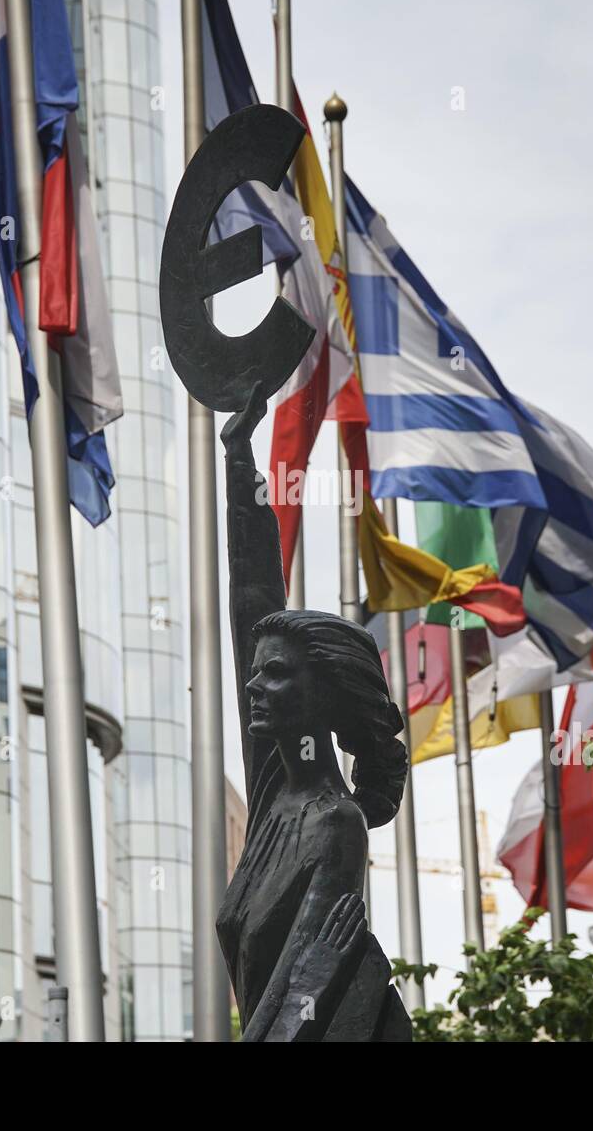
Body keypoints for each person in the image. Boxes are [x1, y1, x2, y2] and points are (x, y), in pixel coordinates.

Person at [215, 386, 412, 1041]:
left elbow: (297, 998)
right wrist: (238, 462)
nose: (254, 685)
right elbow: (253, 593)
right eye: (256, 671)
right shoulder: (274, 792)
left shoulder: (334, 824)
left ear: (324, 695)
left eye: (276, 674)